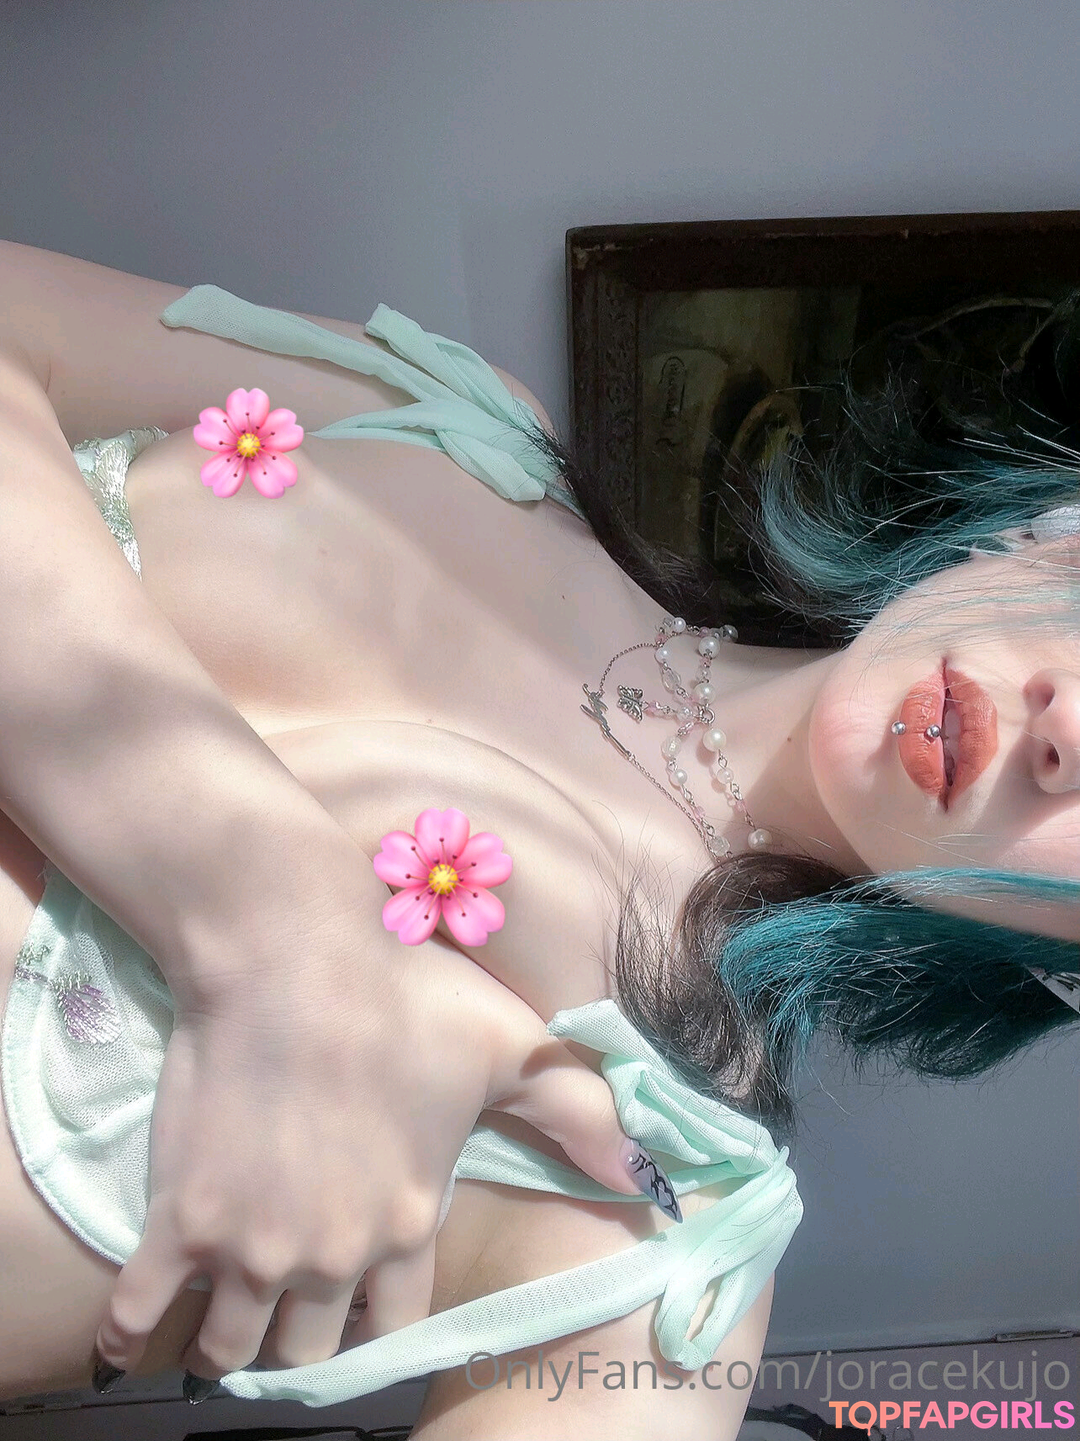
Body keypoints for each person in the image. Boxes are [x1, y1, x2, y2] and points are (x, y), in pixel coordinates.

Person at [0, 239, 1075, 1437]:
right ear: (1054, 535)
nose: (1069, 730)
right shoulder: (466, 426)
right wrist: (271, 918)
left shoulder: (658, 1227)